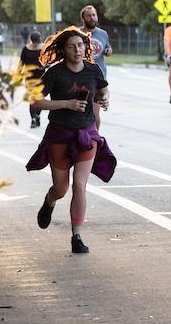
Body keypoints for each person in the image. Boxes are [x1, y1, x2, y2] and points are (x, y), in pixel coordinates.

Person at [25, 26, 116, 254]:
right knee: (61, 187)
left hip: (86, 134)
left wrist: (104, 101)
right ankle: (49, 201)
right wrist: (66, 104)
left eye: (80, 45)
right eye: (71, 46)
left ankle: (76, 236)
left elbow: (104, 91)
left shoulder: (93, 70)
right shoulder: (55, 73)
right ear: (63, 50)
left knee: (80, 185)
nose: (77, 49)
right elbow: (35, 102)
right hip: (60, 133)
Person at [80, 5, 112, 127]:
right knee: (80, 111)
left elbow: (107, 47)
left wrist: (108, 50)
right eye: (89, 16)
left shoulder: (103, 34)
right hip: (80, 79)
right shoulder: (76, 33)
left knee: (94, 112)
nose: (92, 18)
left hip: (98, 79)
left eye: (94, 15)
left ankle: (95, 140)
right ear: (83, 19)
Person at [18, 30, 46, 128]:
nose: (35, 45)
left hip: (42, 77)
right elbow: (21, 62)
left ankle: (37, 115)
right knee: (32, 98)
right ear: (31, 40)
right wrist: (18, 75)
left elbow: (49, 61)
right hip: (29, 77)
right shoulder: (26, 49)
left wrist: (43, 67)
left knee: (40, 98)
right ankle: (33, 119)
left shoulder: (43, 48)